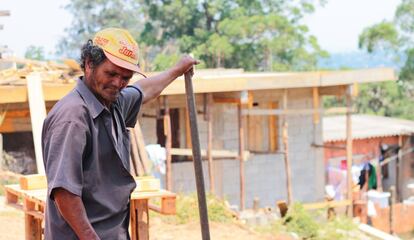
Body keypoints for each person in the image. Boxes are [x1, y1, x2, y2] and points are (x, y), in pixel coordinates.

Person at [42, 28, 198, 240]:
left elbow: (144, 90)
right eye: (111, 74)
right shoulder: (73, 118)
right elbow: (65, 194)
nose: (118, 83)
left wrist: (177, 70)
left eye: (125, 77)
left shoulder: (113, 102)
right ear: (89, 64)